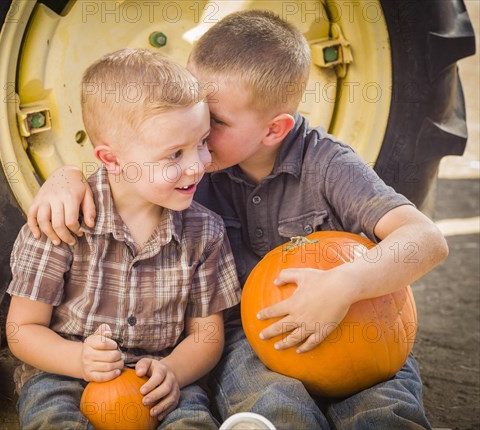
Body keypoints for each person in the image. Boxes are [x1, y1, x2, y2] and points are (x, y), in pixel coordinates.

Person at [26, 10, 449, 429]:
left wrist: (344, 285)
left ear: (273, 129)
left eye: (216, 121)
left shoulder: (328, 164)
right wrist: (66, 178)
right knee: (272, 407)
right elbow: (132, 166)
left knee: (384, 411)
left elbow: (425, 239)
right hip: (254, 335)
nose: (199, 132)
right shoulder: (196, 167)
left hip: (358, 323)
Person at [6, 48, 241, 430]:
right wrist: (79, 359)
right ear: (112, 160)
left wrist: (174, 372)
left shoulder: (205, 233)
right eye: (174, 155)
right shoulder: (62, 222)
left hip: (160, 375)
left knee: (192, 423)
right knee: (52, 421)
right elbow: (22, 331)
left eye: (201, 142)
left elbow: (207, 335)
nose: (197, 164)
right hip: (65, 374)